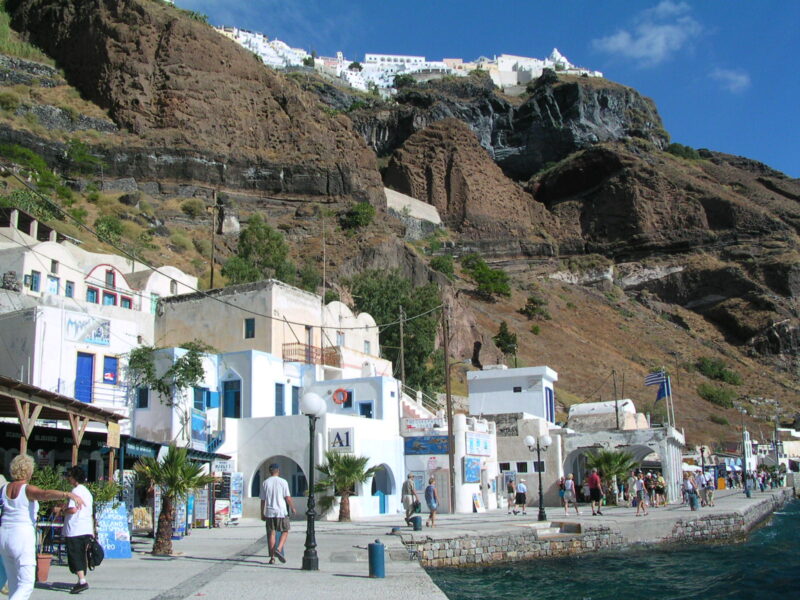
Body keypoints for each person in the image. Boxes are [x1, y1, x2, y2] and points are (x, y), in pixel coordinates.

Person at [0, 455, 84, 600]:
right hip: (21, 535)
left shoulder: (4, 488)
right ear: (28, 471)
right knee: (26, 583)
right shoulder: (26, 489)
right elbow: (44, 494)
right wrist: (66, 494)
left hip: (4, 534)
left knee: (13, 583)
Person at [52, 466, 94, 595]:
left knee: (75, 555)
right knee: (81, 555)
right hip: (86, 527)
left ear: (74, 478)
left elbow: (73, 509)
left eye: (69, 476)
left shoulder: (75, 491)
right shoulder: (87, 492)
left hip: (75, 529)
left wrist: (60, 511)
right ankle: (81, 578)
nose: (68, 478)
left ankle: (82, 581)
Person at [259, 464, 295, 564]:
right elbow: (287, 497)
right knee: (285, 530)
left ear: (270, 471)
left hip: (270, 512)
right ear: (278, 471)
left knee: (272, 533)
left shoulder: (265, 483)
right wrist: (292, 507)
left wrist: (262, 513)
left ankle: (272, 558)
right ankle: (278, 549)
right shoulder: (283, 482)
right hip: (281, 511)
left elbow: (262, 500)